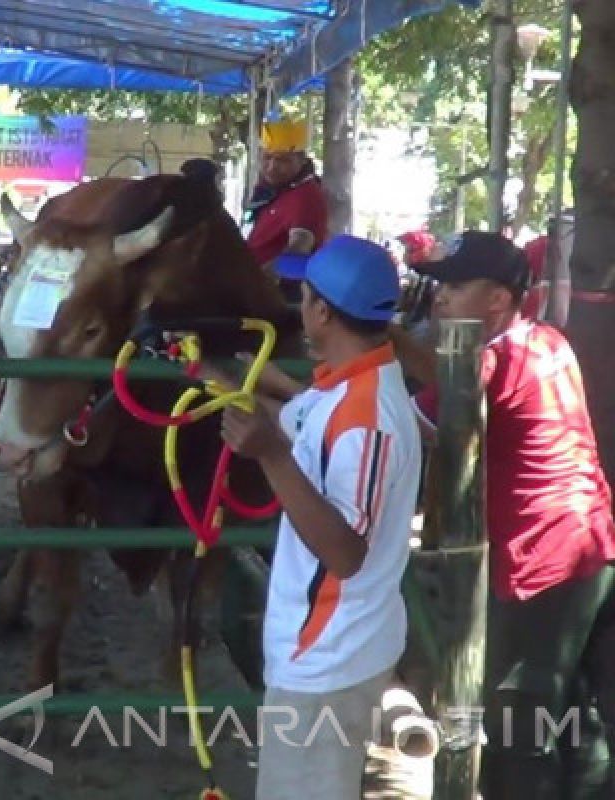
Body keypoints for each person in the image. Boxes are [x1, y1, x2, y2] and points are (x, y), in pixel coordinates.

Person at [401, 232, 615, 799]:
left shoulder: (497, 357)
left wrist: (383, 340)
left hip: (541, 556)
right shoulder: (546, 340)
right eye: (439, 284)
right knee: (580, 715)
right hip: (590, 544)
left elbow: (433, 408)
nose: (440, 297)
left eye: (456, 286)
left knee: (516, 721)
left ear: (498, 300)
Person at [208, 235, 420, 799]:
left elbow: (345, 554)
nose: (298, 305)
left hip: (328, 657)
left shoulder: (368, 417)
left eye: (303, 295)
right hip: (326, 649)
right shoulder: (345, 385)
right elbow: (298, 420)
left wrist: (270, 457)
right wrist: (216, 379)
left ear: (322, 311)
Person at [245, 119, 329, 294]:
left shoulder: (306, 195)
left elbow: (299, 247)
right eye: (267, 158)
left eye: (282, 160)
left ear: (302, 160)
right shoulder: (275, 189)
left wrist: (256, 280)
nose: (272, 167)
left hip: (280, 296)